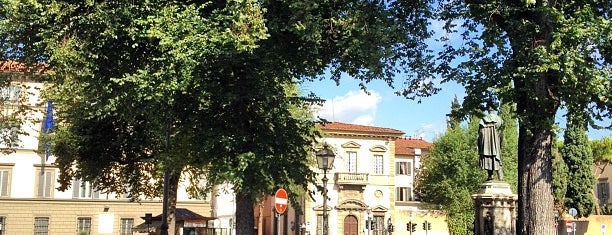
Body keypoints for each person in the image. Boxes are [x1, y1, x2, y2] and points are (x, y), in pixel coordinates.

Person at [478, 106, 503, 181]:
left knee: (488, 158)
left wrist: (481, 143)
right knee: (496, 158)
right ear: (494, 110)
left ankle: (490, 175)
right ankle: (500, 177)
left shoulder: (483, 120)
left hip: (486, 144)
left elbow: (480, 133)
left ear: (488, 110)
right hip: (495, 143)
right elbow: (501, 133)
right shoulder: (499, 119)